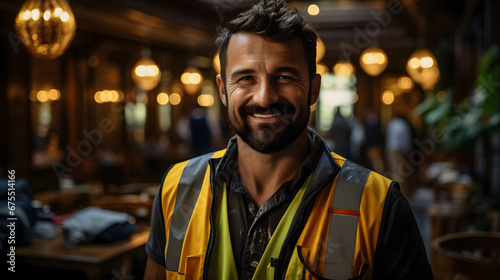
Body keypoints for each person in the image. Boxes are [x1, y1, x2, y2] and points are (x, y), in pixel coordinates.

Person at [144, 1, 433, 279]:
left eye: (284, 77)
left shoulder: (380, 204)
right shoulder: (177, 187)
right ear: (223, 90)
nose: (265, 97)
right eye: (246, 78)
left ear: (313, 90)